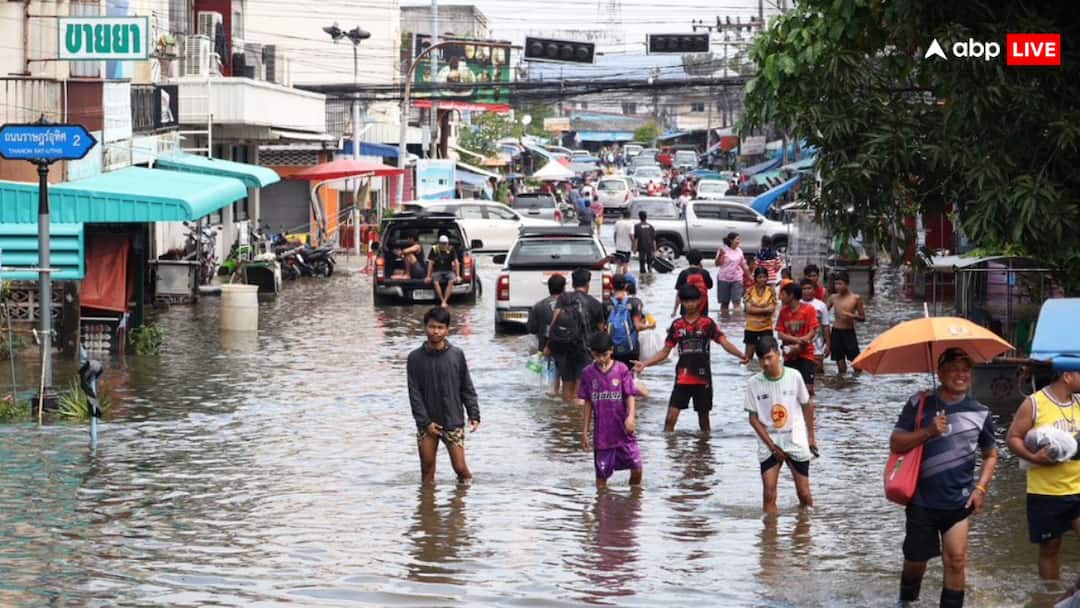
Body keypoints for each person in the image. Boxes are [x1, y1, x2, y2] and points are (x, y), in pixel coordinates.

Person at [890, 348, 998, 608]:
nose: (960, 375)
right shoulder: (920, 403)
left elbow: (991, 455)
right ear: (940, 373)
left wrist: (981, 488)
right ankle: (905, 601)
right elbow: (896, 442)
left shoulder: (980, 412)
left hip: (958, 502)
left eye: (965, 370)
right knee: (916, 562)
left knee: (957, 561)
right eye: (953, 369)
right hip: (921, 501)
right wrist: (928, 431)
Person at [634, 285, 746, 432]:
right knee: (669, 421)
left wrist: (741, 355)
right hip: (682, 378)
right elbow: (665, 351)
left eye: (693, 301)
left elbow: (724, 342)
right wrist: (645, 364)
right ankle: (670, 452)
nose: (690, 304)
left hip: (703, 379)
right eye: (686, 301)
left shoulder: (707, 324)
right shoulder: (677, 325)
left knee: (704, 422)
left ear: (699, 301)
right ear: (681, 302)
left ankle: (705, 450)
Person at [1005, 367, 1080, 581]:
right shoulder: (1034, 403)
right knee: (1050, 547)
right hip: (1045, 491)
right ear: (1067, 376)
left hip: (1078, 487)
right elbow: (1013, 438)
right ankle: (1048, 597)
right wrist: (1034, 458)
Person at [407, 307, 481, 484]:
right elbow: (414, 394)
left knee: (461, 469)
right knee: (427, 470)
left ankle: (461, 505)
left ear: (447, 330)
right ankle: (427, 509)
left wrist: (474, 413)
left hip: (453, 420)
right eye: (432, 327)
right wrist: (425, 422)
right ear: (425, 328)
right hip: (427, 424)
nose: (436, 331)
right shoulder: (414, 358)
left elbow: (466, 386)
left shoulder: (456, 355)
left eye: (440, 327)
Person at [746, 335, 816, 513]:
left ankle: (803, 533)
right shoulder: (754, 383)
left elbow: (807, 406)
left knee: (804, 494)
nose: (766, 363)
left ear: (778, 354)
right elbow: (753, 418)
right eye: (762, 359)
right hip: (769, 443)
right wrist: (771, 446)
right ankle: (770, 536)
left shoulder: (794, 376)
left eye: (769, 357)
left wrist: (811, 438)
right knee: (769, 494)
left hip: (795, 439)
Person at [579, 333, 643, 488]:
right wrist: (585, 431)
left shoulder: (621, 370)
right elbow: (587, 402)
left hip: (623, 431)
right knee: (601, 478)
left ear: (611, 351)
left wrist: (631, 417)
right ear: (592, 353)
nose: (601, 359)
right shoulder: (587, 373)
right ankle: (601, 506)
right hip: (602, 436)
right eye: (597, 355)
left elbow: (630, 395)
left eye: (604, 355)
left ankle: (633, 499)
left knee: (637, 468)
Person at [545, 268, 606, 404]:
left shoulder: (563, 298)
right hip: (585, 351)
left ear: (572, 284)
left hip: (564, 349)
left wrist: (549, 345)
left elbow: (554, 321)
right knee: (581, 393)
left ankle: (566, 419)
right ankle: (577, 421)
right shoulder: (595, 304)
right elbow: (602, 332)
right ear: (588, 284)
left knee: (567, 392)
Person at [776, 282, 819, 396]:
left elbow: (813, 330)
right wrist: (797, 341)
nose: (780, 297)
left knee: (809, 389)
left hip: (806, 355)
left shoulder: (809, 309)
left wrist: (803, 341)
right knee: (788, 389)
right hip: (789, 355)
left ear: (792, 296)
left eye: (783, 294)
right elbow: (780, 334)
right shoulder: (783, 312)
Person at [527, 274, 567, 396]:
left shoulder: (538, 306)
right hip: (566, 351)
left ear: (548, 288)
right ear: (564, 288)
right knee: (566, 385)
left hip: (544, 350)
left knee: (545, 388)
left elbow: (531, 329)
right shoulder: (571, 305)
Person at [827, 270, 866, 376]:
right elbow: (823, 313)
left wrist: (852, 316)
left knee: (857, 365)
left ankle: (855, 386)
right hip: (836, 332)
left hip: (849, 332)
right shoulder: (833, 298)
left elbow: (863, 318)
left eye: (840, 284)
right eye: (836, 284)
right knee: (840, 366)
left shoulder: (855, 298)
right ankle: (842, 386)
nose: (837, 286)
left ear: (847, 284)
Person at [743, 266, 778, 361]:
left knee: (767, 355)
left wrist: (756, 309)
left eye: (764, 277)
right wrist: (764, 309)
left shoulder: (771, 291)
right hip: (751, 327)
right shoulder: (749, 291)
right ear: (755, 278)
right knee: (748, 358)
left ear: (767, 278)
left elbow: (771, 309)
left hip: (766, 327)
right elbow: (748, 309)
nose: (762, 279)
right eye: (759, 277)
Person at [714, 232, 751, 315]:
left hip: (737, 279)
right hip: (723, 279)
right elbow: (717, 264)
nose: (739, 241)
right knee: (724, 303)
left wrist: (750, 276)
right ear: (731, 240)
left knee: (737, 302)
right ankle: (725, 322)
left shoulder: (739, 251)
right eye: (737, 239)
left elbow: (743, 265)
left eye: (739, 239)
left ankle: (736, 324)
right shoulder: (723, 249)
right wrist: (720, 255)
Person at [800, 278, 832, 373]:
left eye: (809, 288)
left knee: (818, 369)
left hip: (818, 342)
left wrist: (828, 345)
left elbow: (826, 325)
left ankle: (821, 388)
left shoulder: (821, 305)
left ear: (814, 290)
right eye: (804, 288)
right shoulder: (797, 304)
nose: (807, 291)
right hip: (801, 341)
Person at [672, 250, 713, 318]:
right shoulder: (705, 273)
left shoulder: (683, 273)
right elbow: (709, 286)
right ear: (700, 260)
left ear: (688, 260)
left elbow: (678, 294)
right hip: (702, 308)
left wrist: (674, 310)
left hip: (686, 309)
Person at [425, 234, 461, 308]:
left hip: (449, 271)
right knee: (435, 281)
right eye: (442, 243)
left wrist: (458, 276)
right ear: (439, 243)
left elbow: (456, 262)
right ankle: (442, 300)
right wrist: (428, 276)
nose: (444, 245)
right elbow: (431, 263)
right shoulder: (434, 249)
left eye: (445, 243)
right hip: (437, 271)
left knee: (452, 280)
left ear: (447, 243)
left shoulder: (451, 249)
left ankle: (445, 301)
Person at [612, 208, 634, 275]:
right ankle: (625, 278)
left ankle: (617, 277)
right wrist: (634, 244)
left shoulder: (617, 223)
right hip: (627, 248)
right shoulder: (631, 224)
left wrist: (616, 243)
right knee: (625, 264)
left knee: (618, 264)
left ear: (623, 215)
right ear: (630, 216)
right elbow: (631, 235)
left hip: (618, 247)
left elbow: (615, 234)